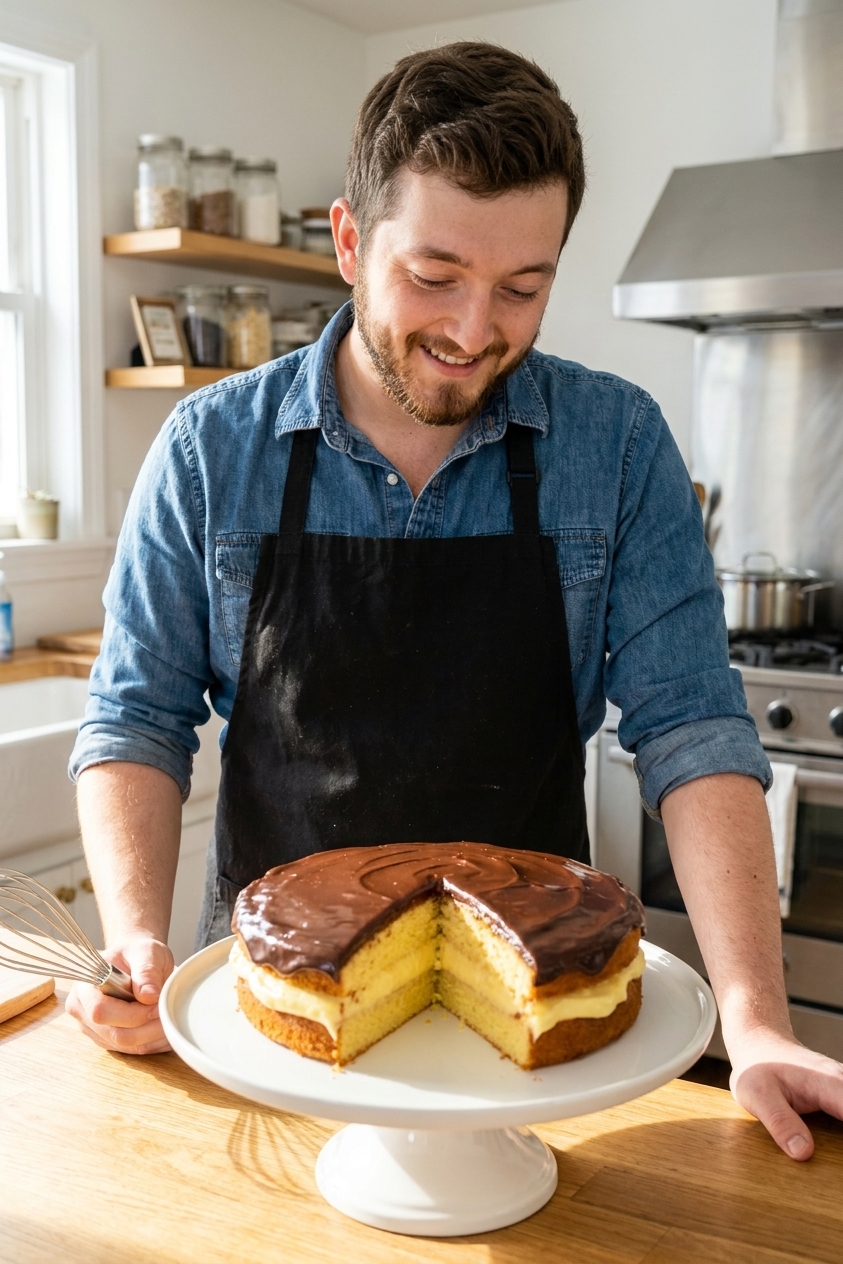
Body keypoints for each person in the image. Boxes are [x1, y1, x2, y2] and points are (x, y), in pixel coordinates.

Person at [67, 42, 842, 1158]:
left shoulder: (616, 446)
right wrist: (133, 940)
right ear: (348, 241)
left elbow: (693, 729)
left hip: (532, 1051)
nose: (476, 331)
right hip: (272, 1038)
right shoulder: (208, 450)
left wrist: (759, 1024)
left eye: (523, 288)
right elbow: (134, 717)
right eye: (434, 276)